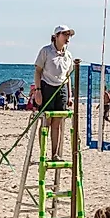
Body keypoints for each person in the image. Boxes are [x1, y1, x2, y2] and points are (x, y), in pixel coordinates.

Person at [34, 25, 75, 159]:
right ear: (56, 36)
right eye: (65, 34)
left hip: (61, 88)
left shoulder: (68, 55)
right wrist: (38, 90)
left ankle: (55, 154)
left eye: (69, 35)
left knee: (58, 123)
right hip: (47, 87)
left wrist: (70, 95)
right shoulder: (46, 51)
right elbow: (38, 71)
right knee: (46, 121)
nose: (67, 38)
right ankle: (43, 152)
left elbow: (68, 77)